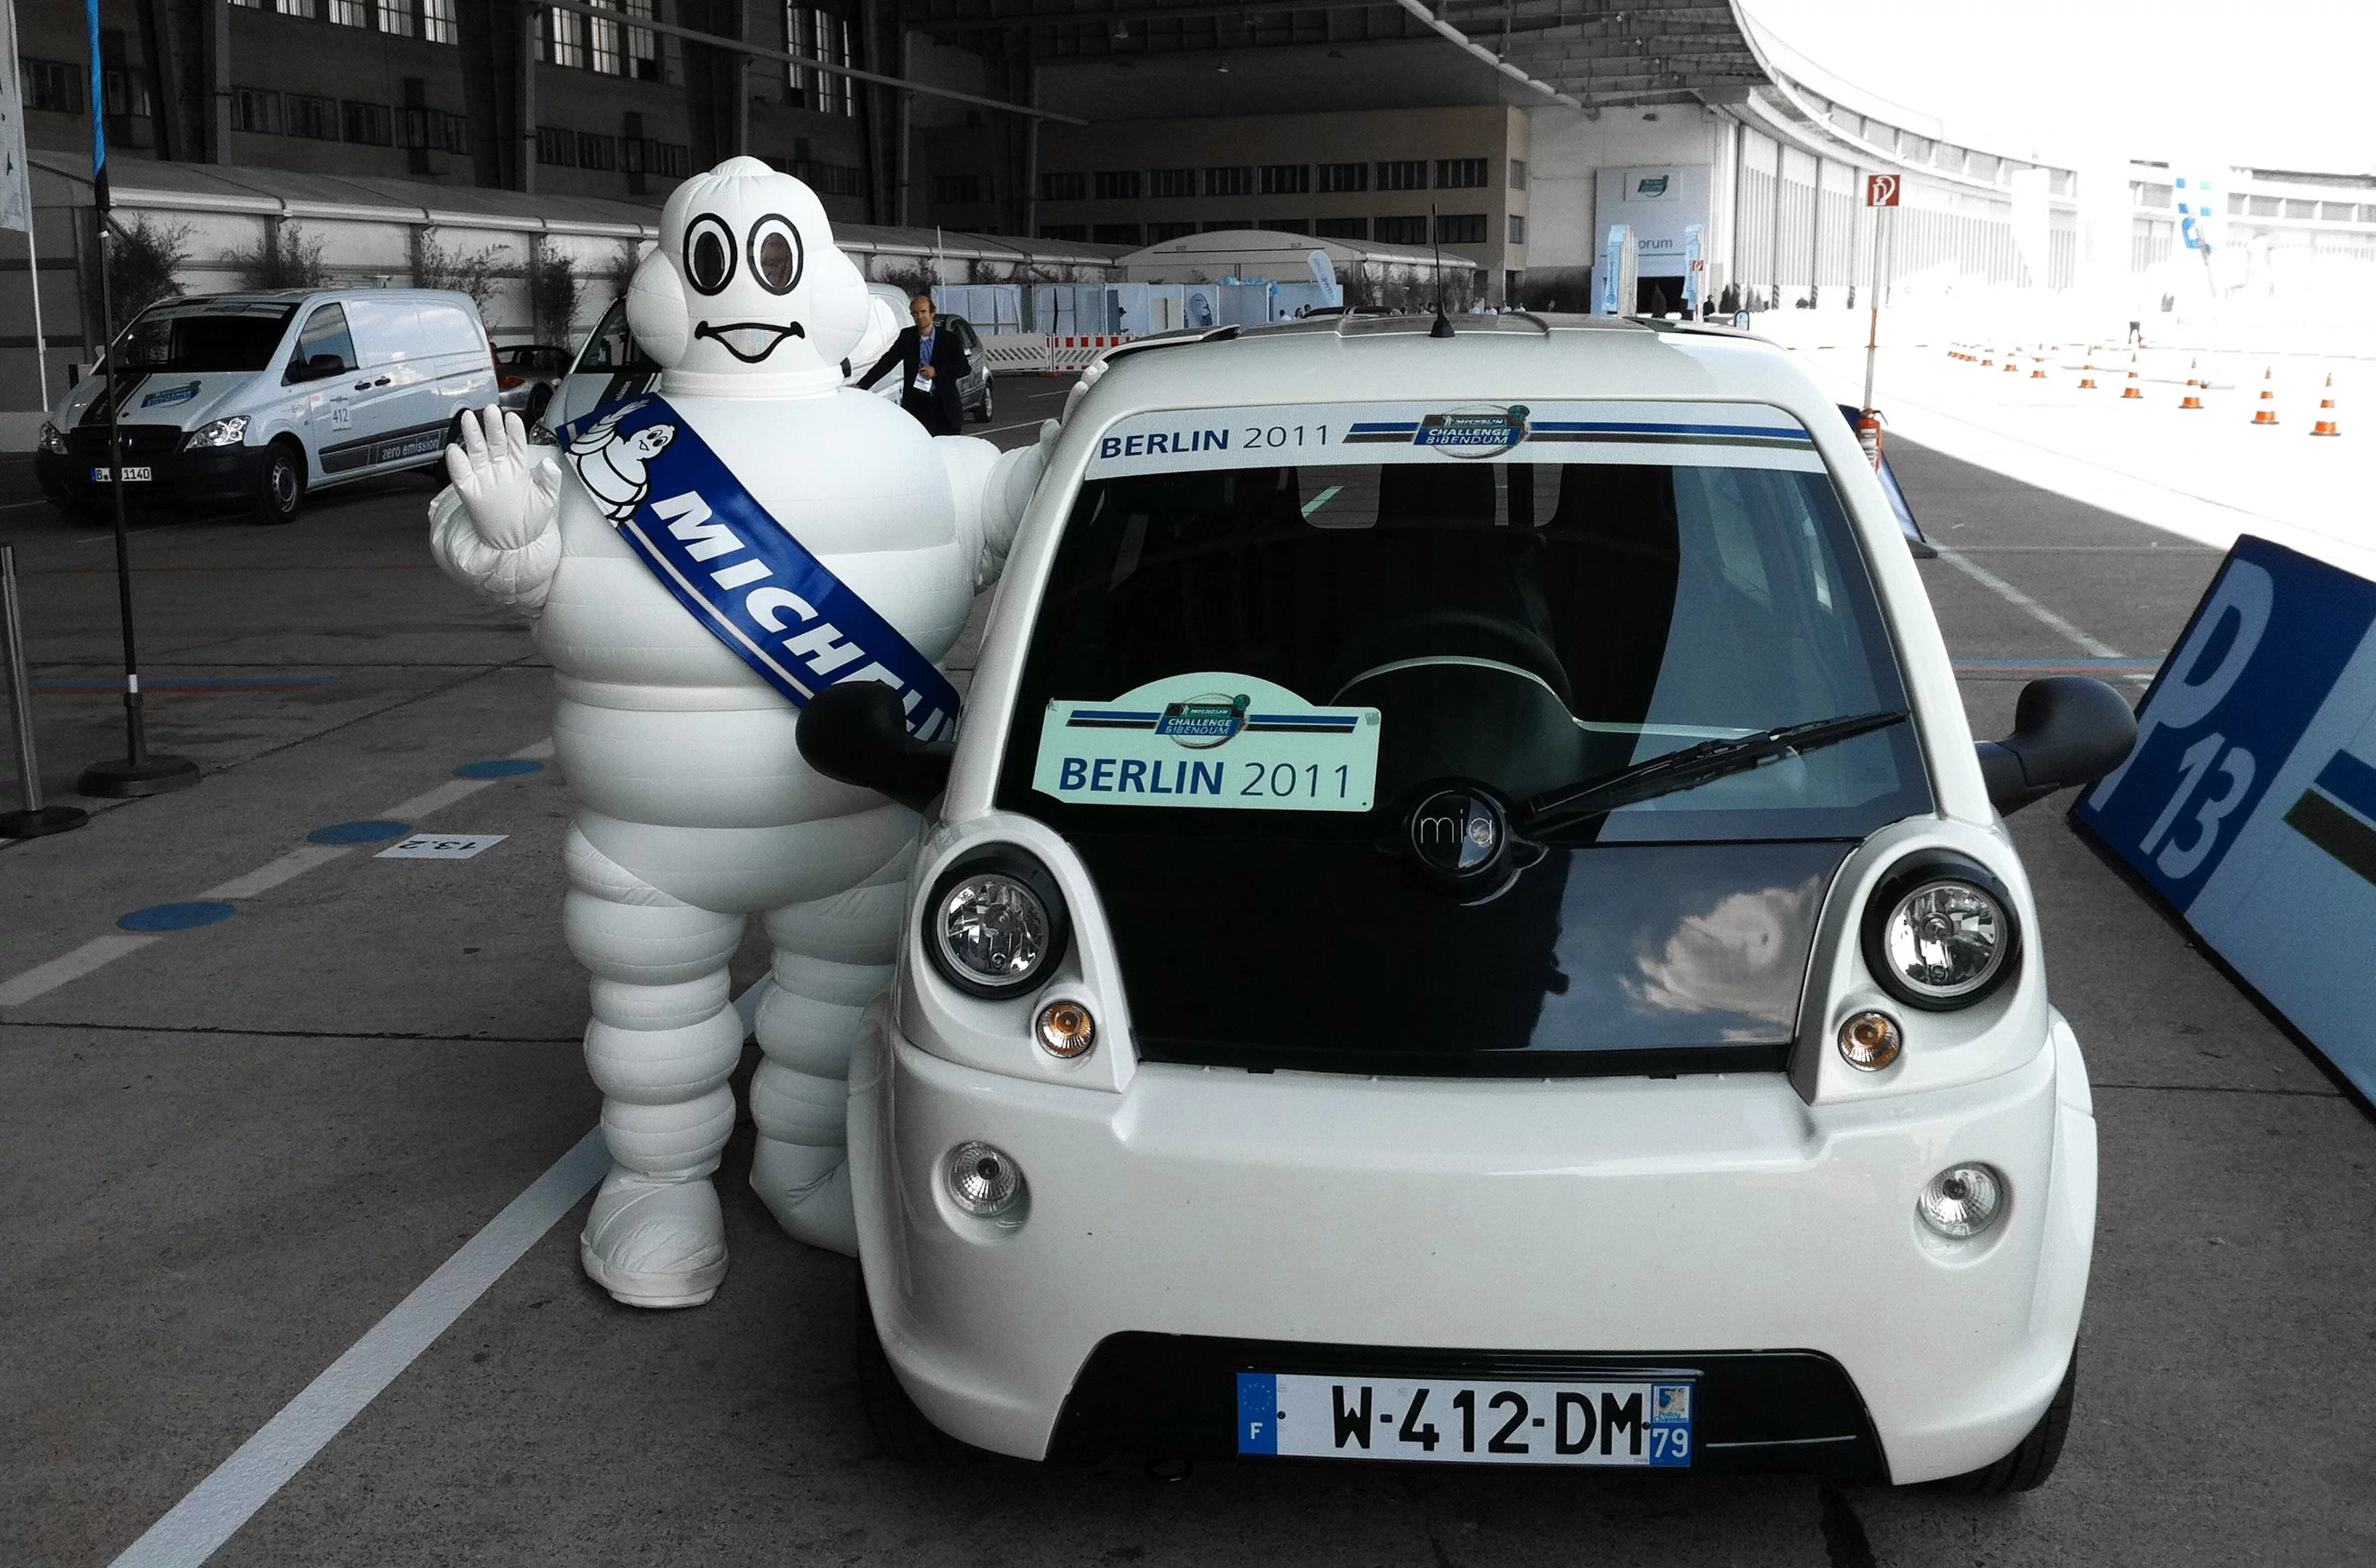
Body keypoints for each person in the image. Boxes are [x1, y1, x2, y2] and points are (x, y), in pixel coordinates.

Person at [859, 293, 970, 435]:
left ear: (932, 314)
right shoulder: (907, 336)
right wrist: (862, 385)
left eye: (923, 312)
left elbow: (964, 368)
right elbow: (887, 362)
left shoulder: (949, 339)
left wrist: (936, 372)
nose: (919, 316)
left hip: (944, 407)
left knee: (948, 451)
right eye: (915, 313)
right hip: (917, 406)